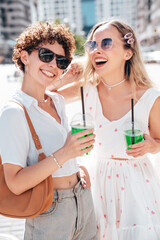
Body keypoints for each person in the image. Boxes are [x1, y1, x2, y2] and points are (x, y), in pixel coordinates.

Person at [53, 19, 160, 240]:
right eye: (92, 45)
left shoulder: (149, 96)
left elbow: (159, 141)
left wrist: (151, 145)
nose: (96, 50)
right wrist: (66, 77)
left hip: (136, 186)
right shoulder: (86, 88)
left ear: (128, 53)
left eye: (106, 43)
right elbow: (43, 99)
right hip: (98, 183)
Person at [0, 21, 98, 240]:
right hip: (49, 209)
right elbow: (14, 183)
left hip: (82, 200)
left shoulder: (56, 100)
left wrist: (78, 169)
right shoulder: (13, 113)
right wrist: (66, 153)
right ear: (24, 57)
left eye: (61, 60)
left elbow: (96, 83)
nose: (54, 64)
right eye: (46, 55)